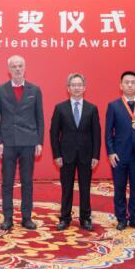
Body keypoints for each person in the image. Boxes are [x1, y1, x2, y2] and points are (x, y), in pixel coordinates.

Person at [0, 55, 44, 230]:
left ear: (25, 68)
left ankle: (26, 217)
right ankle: (8, 217)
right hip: (8, 143)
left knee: (27, 181)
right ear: (9, 70)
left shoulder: (34, 90)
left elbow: (39, 118)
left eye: (20, 66)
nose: (18, 69)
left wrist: (39, 142)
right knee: (7, 182)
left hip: (28, 142)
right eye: (14, 66)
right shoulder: (0, 90)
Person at [104, 71, 135, 231]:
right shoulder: (113, 106)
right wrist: (111, 152)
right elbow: (108, 132)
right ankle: (121, 219)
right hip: (119, 155)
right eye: (126, 82)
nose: (130, 85)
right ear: (121, 86)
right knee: (119, 189)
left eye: (133, 82)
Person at [50, 73, 100, 231]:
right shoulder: (60, 108)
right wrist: (57, 155)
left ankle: (85, 218)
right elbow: (54, 133)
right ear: (68, 88)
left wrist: (96, 156)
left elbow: (96, 134)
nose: (76, 88)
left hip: (86, 155)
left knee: (85, 188)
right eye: (73, 85)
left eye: (79, 85)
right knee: (67, 188)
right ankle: (65, 218)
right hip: (66, 155)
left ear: (84, 88)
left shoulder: (92, 108)